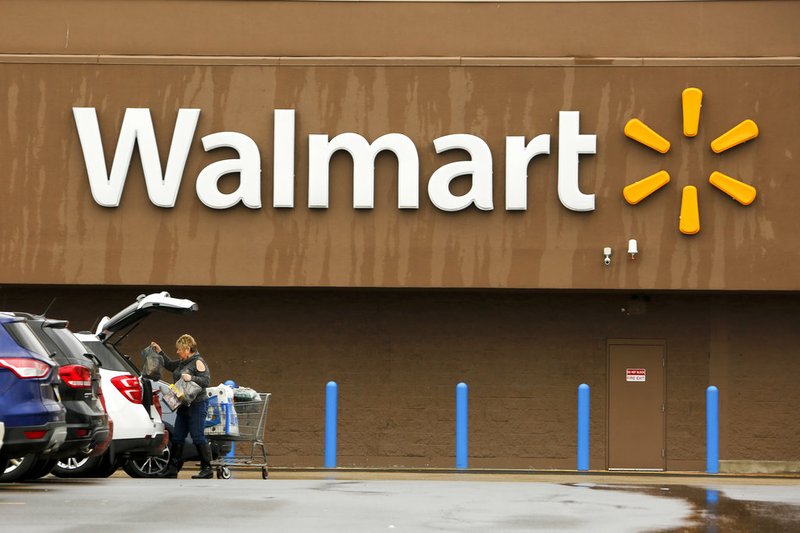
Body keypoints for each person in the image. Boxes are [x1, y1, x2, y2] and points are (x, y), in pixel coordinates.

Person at [151, 334, 213, 479]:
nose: (177, 352)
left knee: (197, 435)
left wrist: (191, 378)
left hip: (197, 404)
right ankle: (172, 470)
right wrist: (160, 352)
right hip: (183, 404)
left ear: (187, 348)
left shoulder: (198, 361)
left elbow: (206, 381)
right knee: (178, 436)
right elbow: (169, 365)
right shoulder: (181, 362)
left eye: (179, 349)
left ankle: (207, 469)